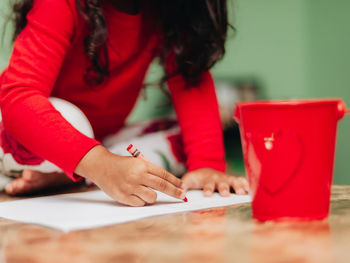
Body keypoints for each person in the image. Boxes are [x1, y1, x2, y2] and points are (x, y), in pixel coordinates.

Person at [0, 0, 249, 206]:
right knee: (70, 119)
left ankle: (78, 174)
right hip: (24, 138)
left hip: (102, 143)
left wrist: (207, 165)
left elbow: (191, 80)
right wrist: (99, 163)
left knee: (179, 134)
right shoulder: (60, 4)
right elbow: (18, 98)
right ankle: (88, 170)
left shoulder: (165, 13)